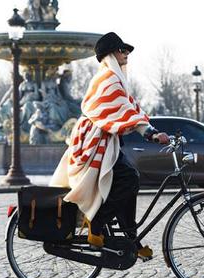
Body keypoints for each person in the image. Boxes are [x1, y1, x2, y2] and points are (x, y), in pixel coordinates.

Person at [50, 32, 169, 261]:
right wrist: (151, 133)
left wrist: (150, 130)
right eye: (123, 50)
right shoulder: (109, 79)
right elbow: (123, 111)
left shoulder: (114, 79)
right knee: (129, 180)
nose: (127, 54)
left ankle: (130, 239)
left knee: (129, 182)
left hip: (106, 143)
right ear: (112, 54)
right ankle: (96, 223)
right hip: (96, 143)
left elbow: (129, 108)